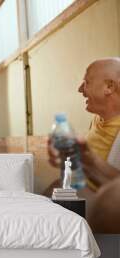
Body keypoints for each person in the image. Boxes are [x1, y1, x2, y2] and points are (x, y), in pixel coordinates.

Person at [47, 57, 120, 193]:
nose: (80, 89)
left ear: (109, 87)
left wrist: (90, 161)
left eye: (87, 82)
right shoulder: (97, 119)